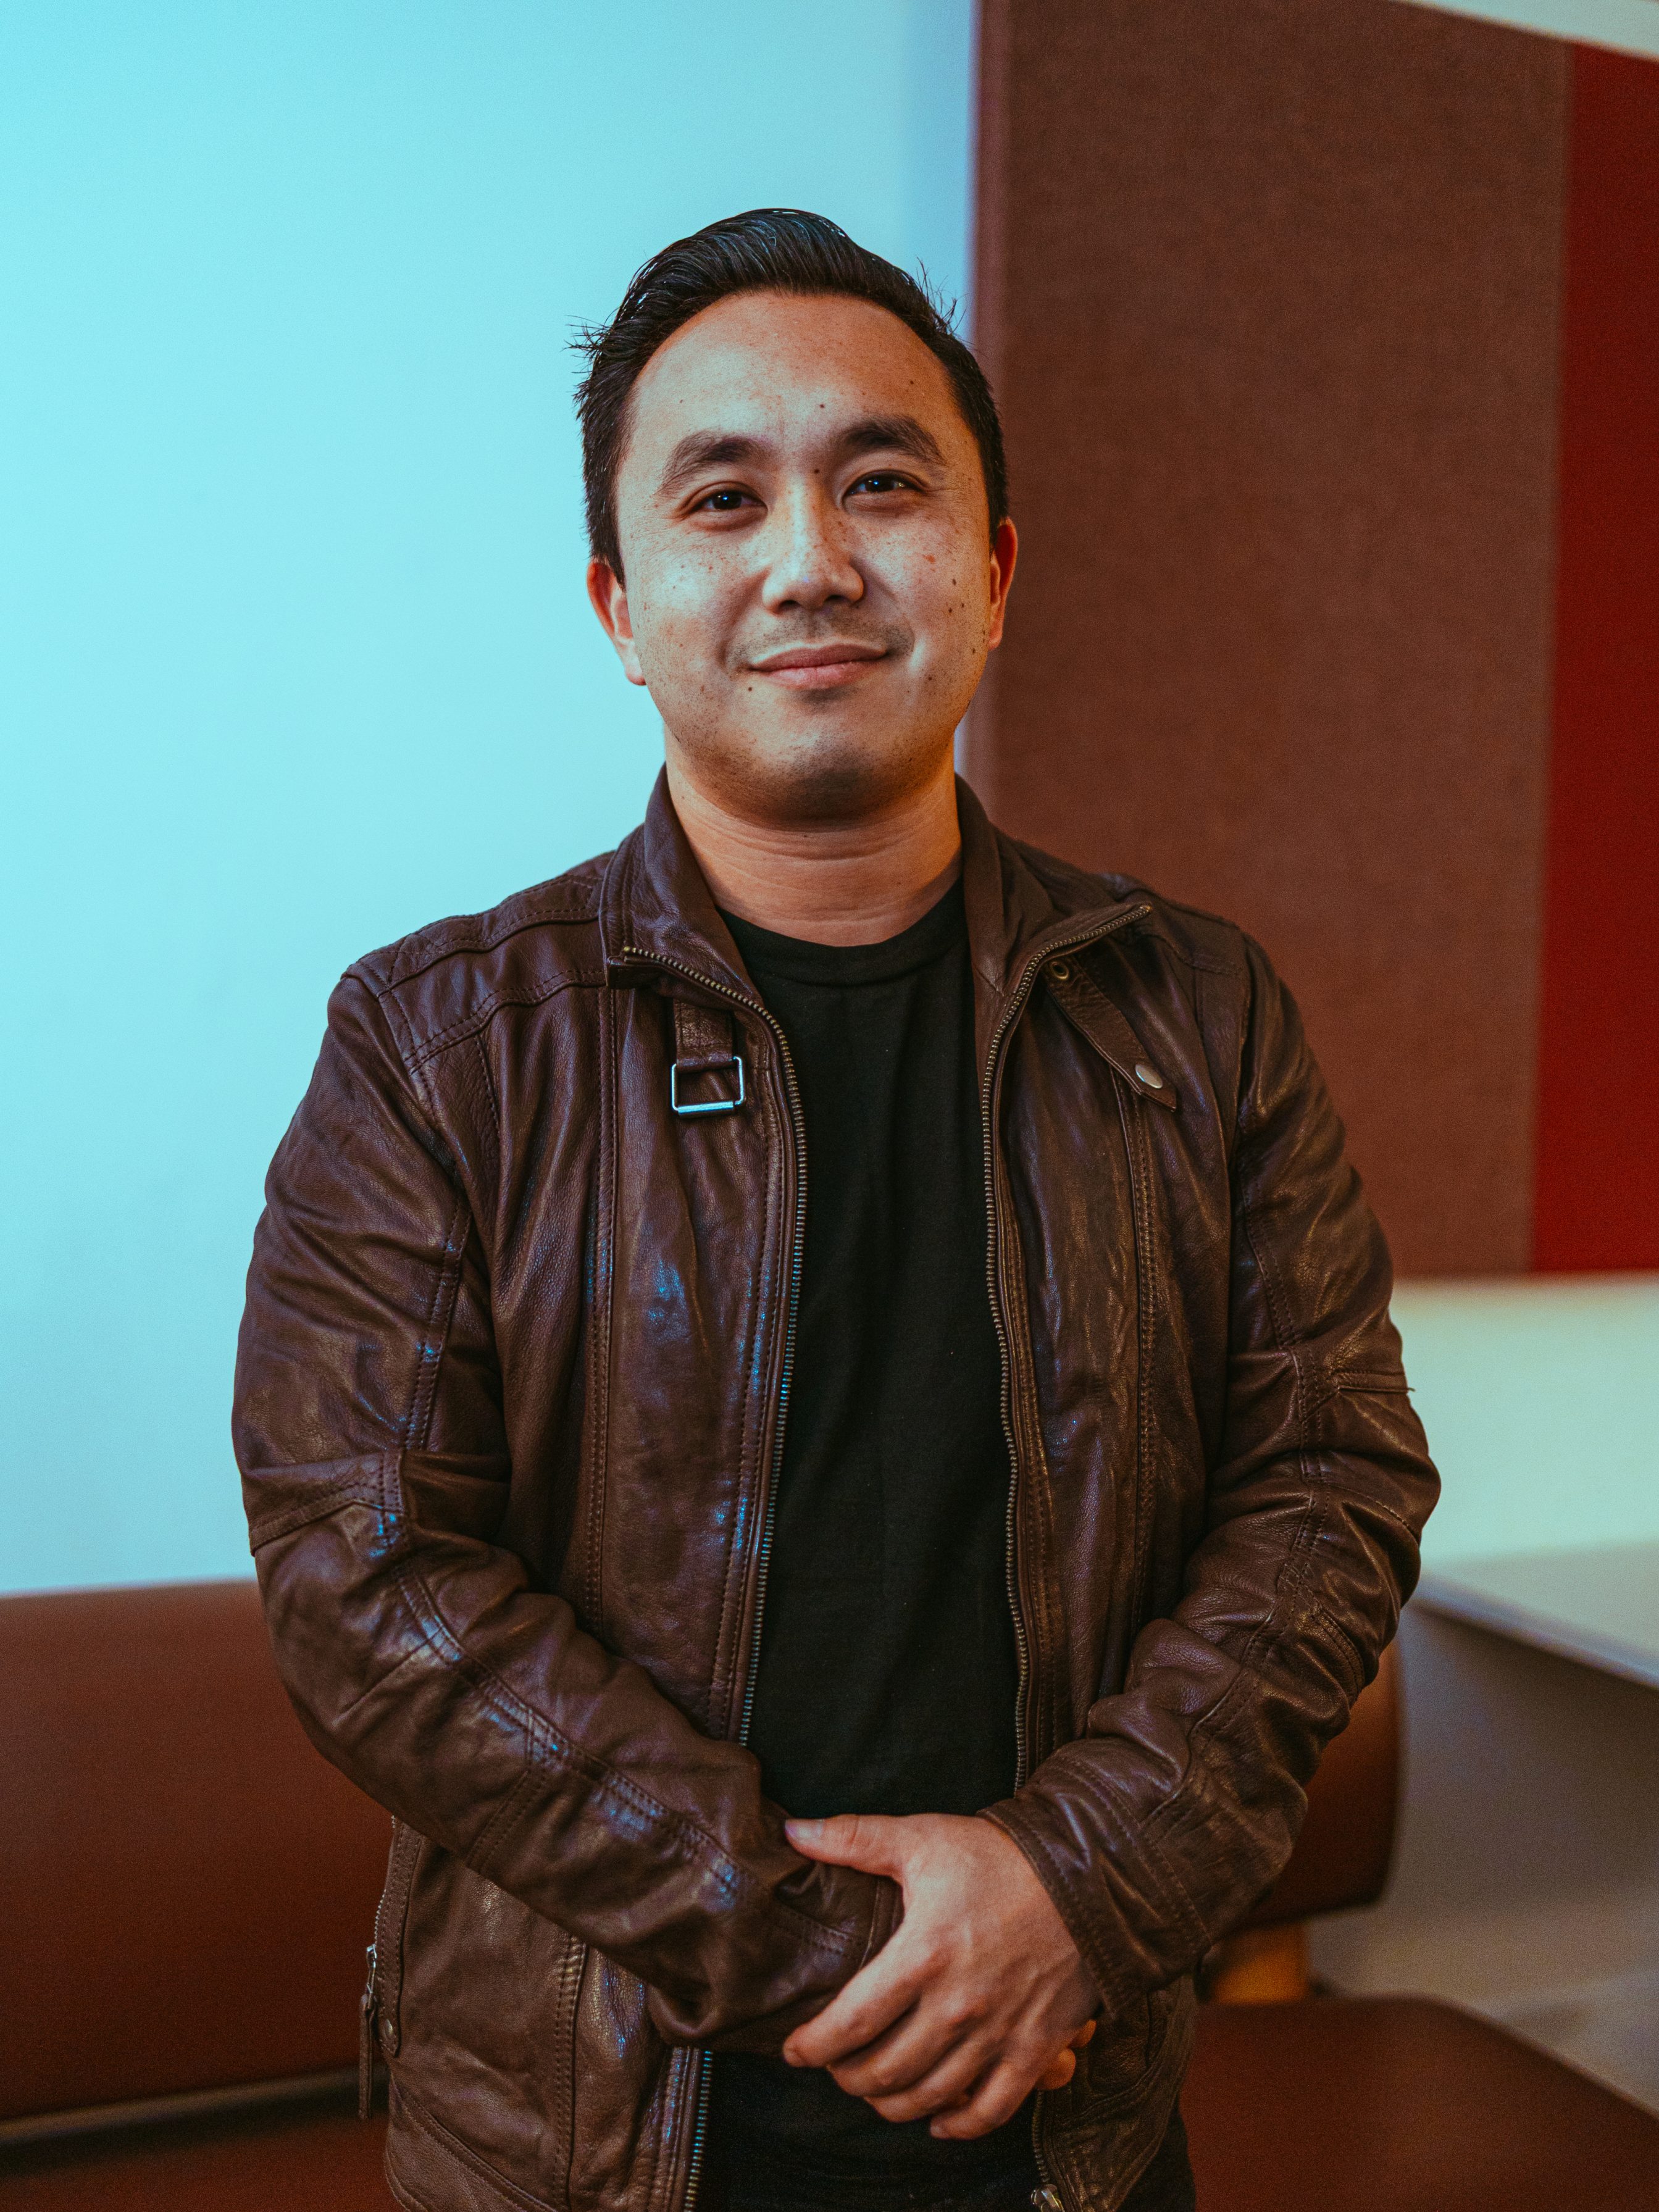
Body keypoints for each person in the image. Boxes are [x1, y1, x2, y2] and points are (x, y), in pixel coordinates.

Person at [234, 209, 1437, 2212]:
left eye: (883, 483)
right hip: (593, 2136)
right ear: (623, 606)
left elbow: (1331, 1481)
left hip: (1072, 2114)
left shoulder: (1197, 1017)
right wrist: (852, 1955)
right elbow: (368, 1580)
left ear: (995, 572)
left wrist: (1077, 1885)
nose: (810, 558)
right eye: (724, 498)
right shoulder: (440, 1048)